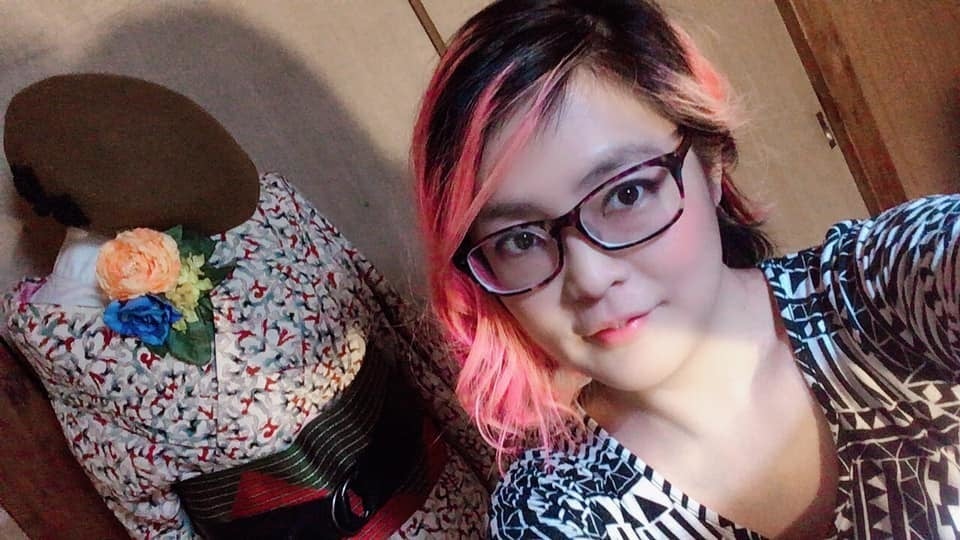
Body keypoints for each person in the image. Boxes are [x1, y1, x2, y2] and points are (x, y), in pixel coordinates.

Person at [410, 0, 960, 538]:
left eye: (626, 193)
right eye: (520, 239)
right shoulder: (556, 512)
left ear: (710, 161)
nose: (591, 279)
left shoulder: (881, 291)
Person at [1, 73, 490, 539]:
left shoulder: (268, 209)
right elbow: (148, 509)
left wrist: (490, 458)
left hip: (451, 492)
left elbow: (392, 328)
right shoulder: (63, 336)